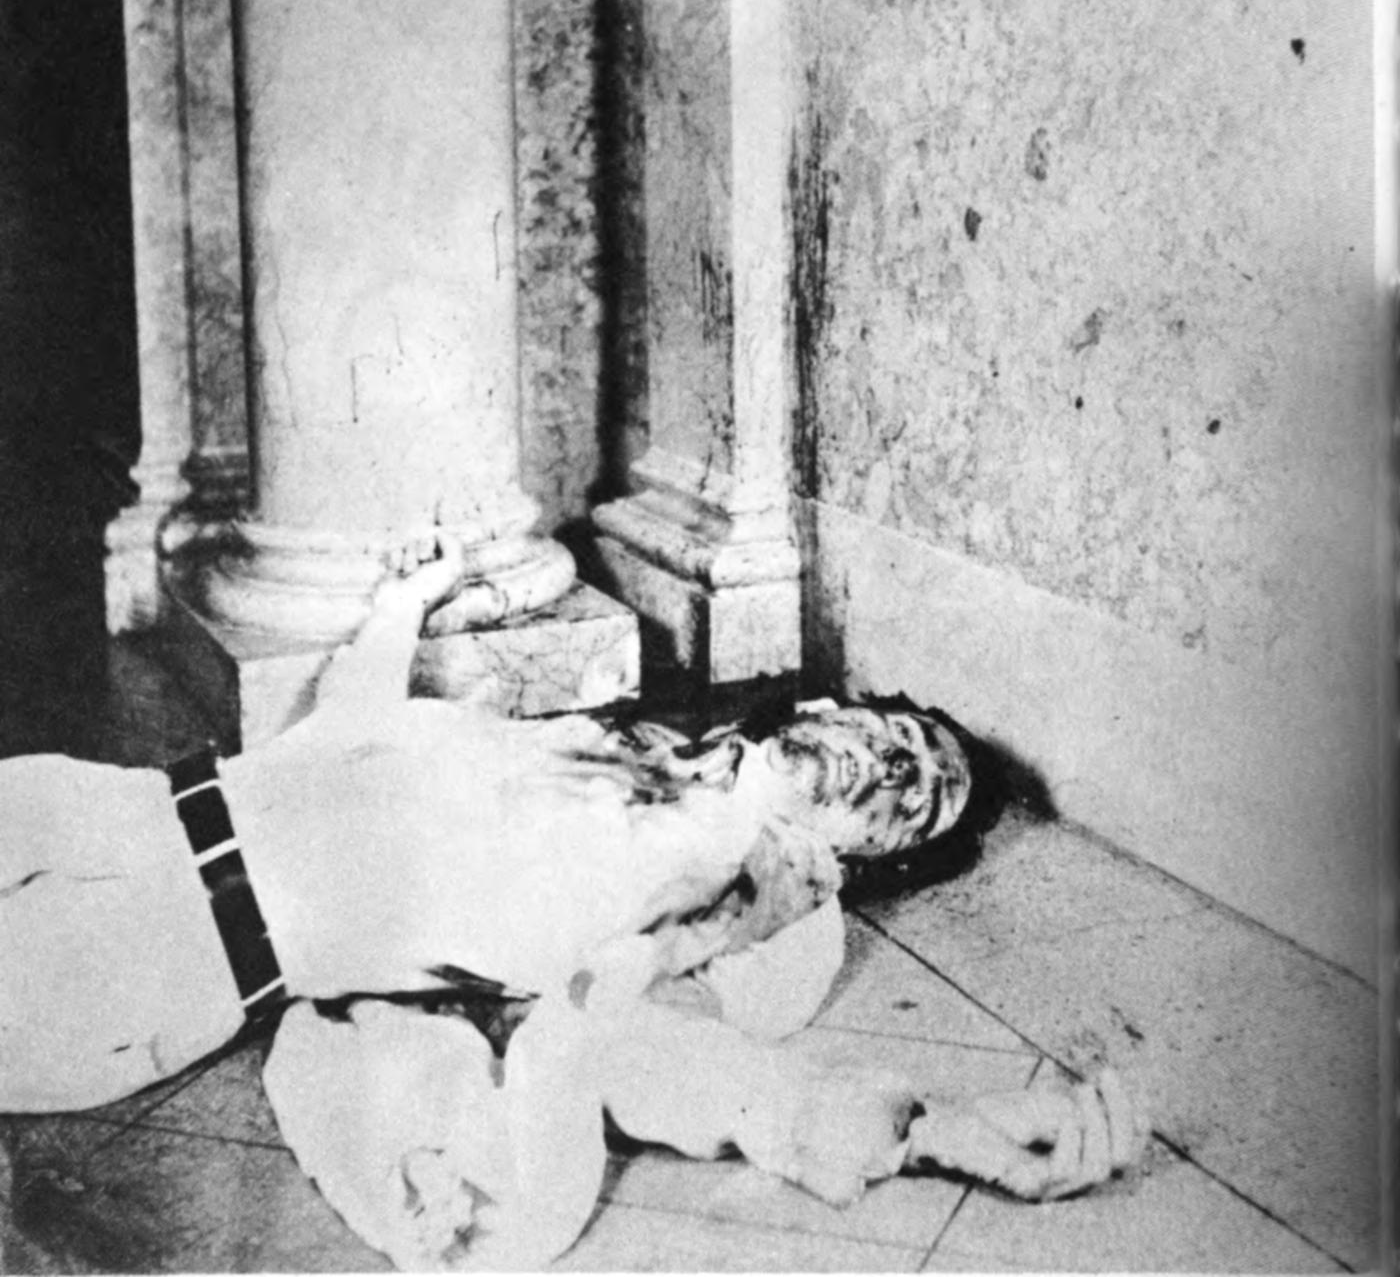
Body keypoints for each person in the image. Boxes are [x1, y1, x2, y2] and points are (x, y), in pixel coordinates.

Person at [0, 543, 1145, 1269]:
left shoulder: (757, 912)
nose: (888, 767)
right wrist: (405, 603)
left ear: (861, 858)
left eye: (911, 803)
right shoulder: (613, 744)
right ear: (823, 710)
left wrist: (927, 1129)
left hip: (147, 965)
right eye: (898, 736)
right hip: (93, 806)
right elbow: (350, 745)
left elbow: (689, 1066)